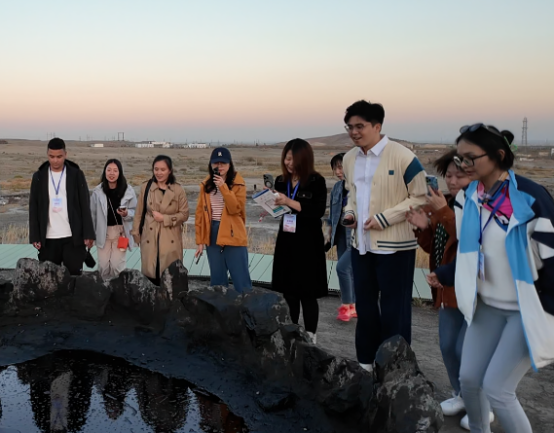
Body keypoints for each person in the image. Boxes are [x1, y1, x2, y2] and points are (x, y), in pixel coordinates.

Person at [429, 124, 554, 433]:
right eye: (460, 158)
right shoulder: (470, 197)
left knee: (498, 389)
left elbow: (551, 257)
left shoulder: (530, 198)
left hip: (525, 309)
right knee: (470, 380)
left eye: (470, 158)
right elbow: (472, 250)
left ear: (498, 156)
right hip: (486, 307)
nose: (463, 165)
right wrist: (446, 274)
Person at [341, 100, 427, 372]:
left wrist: (385, 217)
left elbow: (421, 196)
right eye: (350, 127)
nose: (354, 132)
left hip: (396, 248)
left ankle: (395, 370)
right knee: (365, 310)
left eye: (360, 126)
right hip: (361, 246)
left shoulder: (403, 156)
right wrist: (350, 213)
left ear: (377, 126)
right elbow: (351, 195)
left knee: (394, 312)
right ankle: (365, 366)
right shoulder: (349, 158)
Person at [405, 149, 474, 428]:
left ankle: (482, 402)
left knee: (467, 348)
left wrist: (442, 212)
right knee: (447, 345)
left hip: (473, 289)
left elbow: (467, 238)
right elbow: (433, 247)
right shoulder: (445, 203)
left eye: (460, 176)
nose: (453, 181)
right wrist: (423, 227)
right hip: (446, 288)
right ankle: (461, 394)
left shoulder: (477, 205)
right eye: (449, 176)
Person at [271, 139, 328, 344]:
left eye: (293, 159)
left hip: (309, 244)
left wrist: (288, 201)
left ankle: (311, 336)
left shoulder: (316, 181)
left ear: (304, 159)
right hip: (287, 242)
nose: (289, 163)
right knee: (290, 293)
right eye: (286, 158)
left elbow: (317, 211)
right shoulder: (280, 181)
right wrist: (271, 205)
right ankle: (292, 333)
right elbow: (280, 211)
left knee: (308, 293)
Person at [29, 137, 95, 275]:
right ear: (47, 155)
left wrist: (88, 234)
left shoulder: (76, 174)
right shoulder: (39, 176)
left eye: (59, 156)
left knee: (74, 278)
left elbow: (84, 204)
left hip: (72, 237)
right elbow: (33, 207)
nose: (55, 160)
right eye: (51, 156)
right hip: (48, 239)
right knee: (49, 280)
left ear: (65, 154)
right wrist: (35, 236)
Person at [194, 147, 252, 293]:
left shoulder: (238, 183)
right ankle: (220, 306)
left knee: (241, 277)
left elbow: (235, 209)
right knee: (217, 279)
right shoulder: (206, 184)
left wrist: (223, 187)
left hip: (233, 232)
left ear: (229, 164)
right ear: (211, 164)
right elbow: (200, 214)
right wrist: (200, 241)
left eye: (223, 163)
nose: (219, 166)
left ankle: (246, 306)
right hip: (212, 232)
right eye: (216, 163)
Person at [132, 155, 189, 286]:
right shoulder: (146, 187)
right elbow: (139, 212)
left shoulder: (178, 190)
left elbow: (184, 214)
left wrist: (165, 218)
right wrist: (136, 233)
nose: (159, 173)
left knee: (169, 278)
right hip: (149, 236)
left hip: (170, 237)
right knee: (150, 275)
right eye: (156, 169)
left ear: (170, 170)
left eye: (163, 169)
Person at [90, 159, 137, 279]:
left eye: (115, 170)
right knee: (103, 267)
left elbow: (135, 211)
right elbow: (92, 214)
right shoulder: (97, 192)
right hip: (103, 232)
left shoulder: (128, 191)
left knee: (117, 266)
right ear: (104, 172)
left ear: (120, 173)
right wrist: (90, 235)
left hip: (120, 233)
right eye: (109, 170)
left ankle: (119, 289)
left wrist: (126, 213)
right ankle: (104, 289)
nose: (112, 173)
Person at [326, 153, 356, 321]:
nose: (338, 172)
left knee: (342, 268)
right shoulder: (337, 188)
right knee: (349, 271)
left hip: (356, 236)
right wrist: (328, 233)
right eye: (335, 169)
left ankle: (347, 305)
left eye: (340, 167)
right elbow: (332, 215)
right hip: (340, 234)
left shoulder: (359, 187)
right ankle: (354, 306)